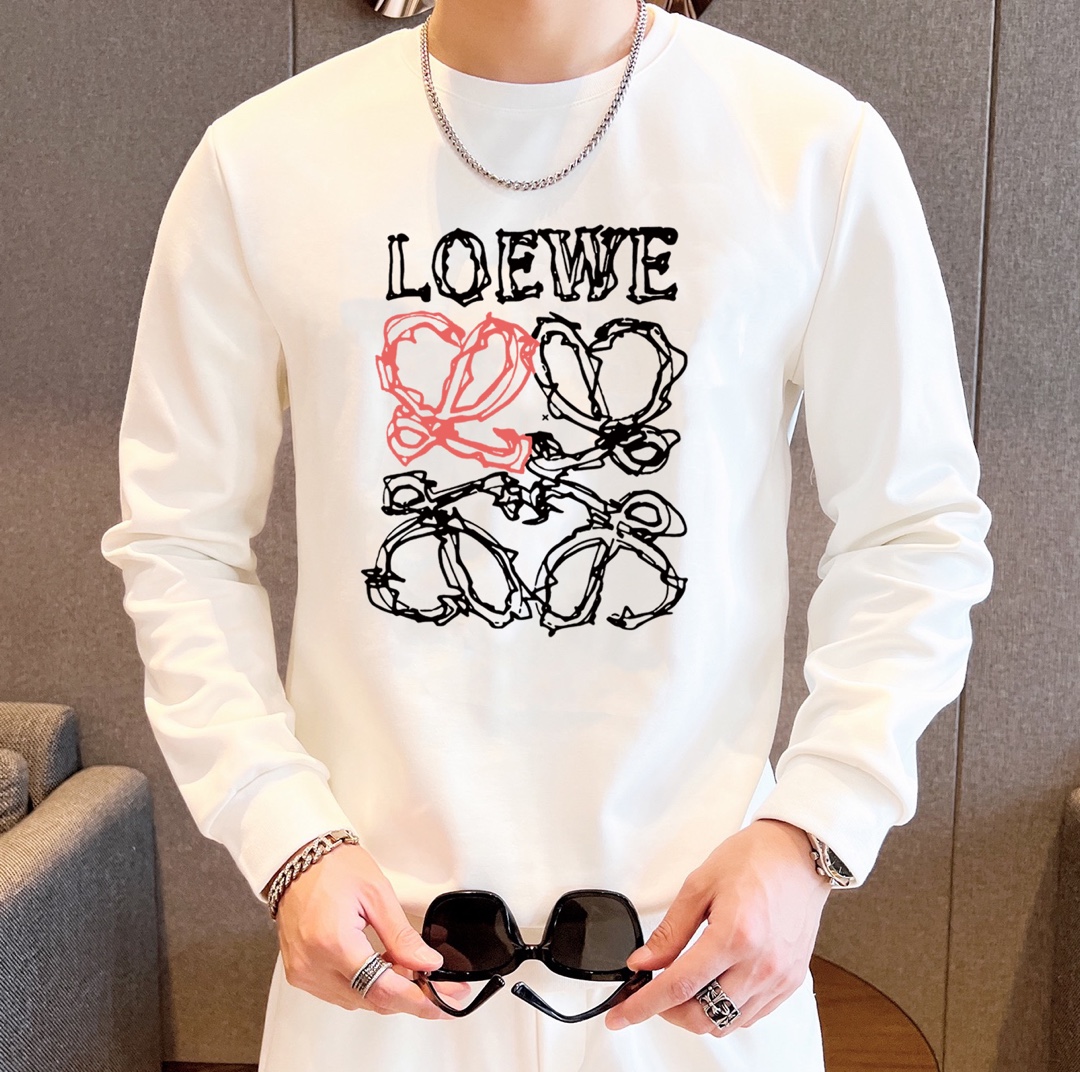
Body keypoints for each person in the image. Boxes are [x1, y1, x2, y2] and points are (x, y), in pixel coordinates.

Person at [99, 0, 994, 1069]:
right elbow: (180, 540)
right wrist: (283, 833)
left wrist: (814, 830)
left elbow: (914, 527)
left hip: (693, 967)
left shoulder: (811, 149)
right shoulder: (259, 165)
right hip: (379, 966)